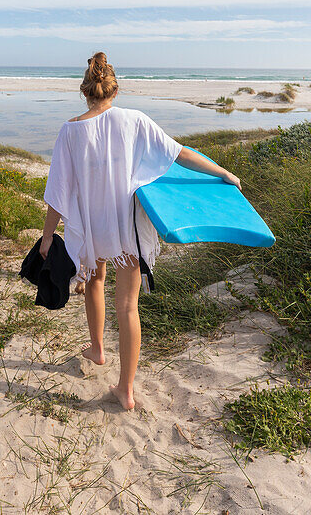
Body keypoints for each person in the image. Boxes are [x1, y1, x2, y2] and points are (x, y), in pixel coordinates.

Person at [40, 52, 240, 411]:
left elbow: (57, 190)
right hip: (125, 227)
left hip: (90, 226)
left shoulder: (70, 130)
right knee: (128, 306)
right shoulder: (135, 121)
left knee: (95, 280)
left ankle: (98, 350)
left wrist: (48, 235)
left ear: (86, 91)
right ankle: (126, 390)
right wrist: (223, 173)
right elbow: (179, 154)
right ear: (114, 90)